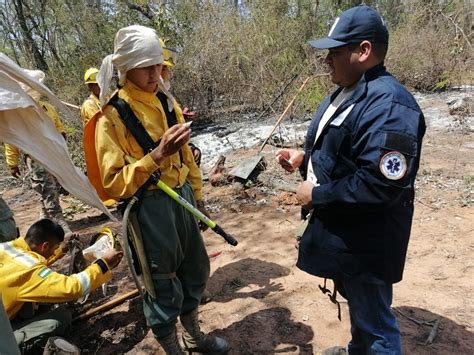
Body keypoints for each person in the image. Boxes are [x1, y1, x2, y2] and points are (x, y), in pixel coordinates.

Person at [276, 5, 425, 354]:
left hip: (368, 238)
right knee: (359, 303)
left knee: (376, 324)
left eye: (336, 51)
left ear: (363, 51)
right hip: (347, 230)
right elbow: (348, 148)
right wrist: (306, 156)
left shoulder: (390, 105)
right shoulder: (352, 89)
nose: (327, 60)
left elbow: (382, 183)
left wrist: (317, 193)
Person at [93, 25, 229, 354]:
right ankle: (174, 349)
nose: (157, 74)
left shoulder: (167, 102)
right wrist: (155, 156)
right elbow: (112, 182)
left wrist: (197, 197)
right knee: (161, 281)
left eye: (159, 65)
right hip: (148, 209)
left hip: (180, 199)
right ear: (127, 68)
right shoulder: (111, 118)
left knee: (194, 267)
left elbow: (187, 157)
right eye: (148, 67)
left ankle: (194, 337)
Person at [0, 218, 122, 354]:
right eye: (54, 248)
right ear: (44, 246)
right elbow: (72, 287)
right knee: (60, 318)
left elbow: (32, 260)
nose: (53, 253)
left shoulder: (8, 248)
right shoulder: (27, 271)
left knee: (34, 303)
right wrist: (104, 264)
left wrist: (62, 249)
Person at [4, 69, 72, 237]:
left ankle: (43, 217)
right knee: (46, 187)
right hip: (35, 157)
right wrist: (12, 163)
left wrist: (61, 141)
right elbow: (13, 139)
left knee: (51, 187)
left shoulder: (47, 108)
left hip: (53, 155)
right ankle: (59, 221)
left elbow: (59, 128)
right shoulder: (19, 113)